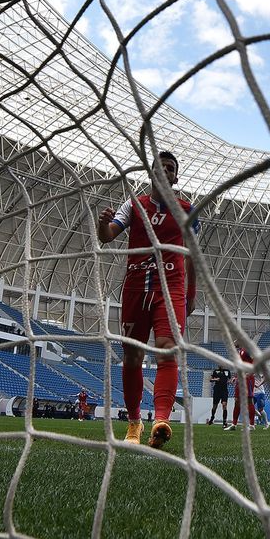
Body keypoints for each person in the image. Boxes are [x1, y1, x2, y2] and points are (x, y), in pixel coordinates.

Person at [98, 150, 197, 449]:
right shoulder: (134, 205)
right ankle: (133, 422)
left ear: (176, 177)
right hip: (136, 286)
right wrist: (103, 224)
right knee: (132, 356)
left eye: (170, 168)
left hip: (171, 287)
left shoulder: (187, 210)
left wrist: (191, 293)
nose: (165, 171)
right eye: (160, 166)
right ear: (151, 173)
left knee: (167, 350)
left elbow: (191, 254)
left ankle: (162, 420)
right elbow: (108, 236)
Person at [224, 343, 255, 431]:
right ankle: (234, 424)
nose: (233, 341)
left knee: (249, 401)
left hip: (247, 378)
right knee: (237, 401)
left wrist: (249, 374)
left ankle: (252, 425)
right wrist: (235, 377)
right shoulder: (240, 351)